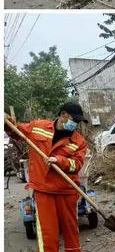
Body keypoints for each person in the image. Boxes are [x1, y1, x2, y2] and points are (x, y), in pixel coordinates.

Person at [5, 102, 88, 252]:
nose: (75, 124)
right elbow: (17, 132)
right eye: (73, 120)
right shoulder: (38, 127)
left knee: (71, 232)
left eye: (77, 122)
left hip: (67, 191)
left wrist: (59, 160)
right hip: (44, 191)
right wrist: (7, 122)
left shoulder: (79, 141)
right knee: (47, 233)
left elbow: (77, 164)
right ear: (63, 115)